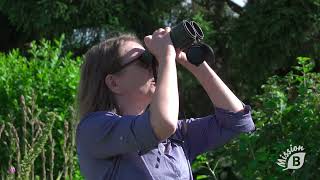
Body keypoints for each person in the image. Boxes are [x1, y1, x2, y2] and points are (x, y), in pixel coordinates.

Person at [76, 27, 255, 180]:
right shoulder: (94, 129)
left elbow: (237, 122)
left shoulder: (175, 136)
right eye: (144, 61)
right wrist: (166, 57)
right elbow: (162, 124)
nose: (154, 65)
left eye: (152, 59)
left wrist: (192, 62)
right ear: (114, 83)